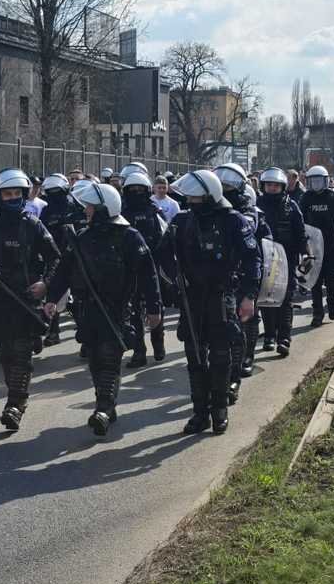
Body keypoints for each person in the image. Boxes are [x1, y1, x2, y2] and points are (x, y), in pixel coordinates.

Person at [45, 182, 160, 436]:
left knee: (109, 358)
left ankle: (103, 408)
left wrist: (154, 308)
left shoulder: (129, 237)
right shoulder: (82, 238)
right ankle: (107, 405)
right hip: (87, 311)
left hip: (117, 309)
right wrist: (52, 298)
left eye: (90, 207)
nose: (85, 211)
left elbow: (148, 274)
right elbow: (64, 270)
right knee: (96, 361)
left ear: (103, 209)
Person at [160, 170, 259, 434]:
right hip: (191, 298)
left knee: (220, 356)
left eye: (195, 197)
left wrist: (249, 296)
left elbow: (252, 259)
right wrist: (174, 279)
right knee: (194, 358)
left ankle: (219, 412)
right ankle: (199, 413)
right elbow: (162, 253)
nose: (190, 201)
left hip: (221, 296)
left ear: (210, 196)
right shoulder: (182, 221)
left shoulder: (233, 221)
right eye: (189, 197)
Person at [0, 169, 60, 431]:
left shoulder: (33, 224)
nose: (12, 198)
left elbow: (55, 258)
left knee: (21, 354)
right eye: (7, 194)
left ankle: (15, 404)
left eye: (17, 194)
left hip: (25, 298)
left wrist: (45, 284)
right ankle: (16, 395)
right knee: (6, 353)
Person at [215, 163, 270, 388]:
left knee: (247, 318)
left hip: (246, 272)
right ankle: (225, 369)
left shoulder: (249, 211)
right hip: (221, 275)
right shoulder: (214, 208)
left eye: (229, 183)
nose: (225, 186)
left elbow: (260, 237)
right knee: (224, 326)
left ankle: (246, 358)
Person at [256, 167, 305, 357]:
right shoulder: (257, 206)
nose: (272, 188)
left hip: (287, 259)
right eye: (269, 185)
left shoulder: (292, 207)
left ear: (282, 186)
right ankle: (269, 335)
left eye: (276, 185)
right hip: (264, 259)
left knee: (285, 300)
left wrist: (306, 253)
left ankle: (284, 338)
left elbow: (301, 233)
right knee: (266, 299)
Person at [120, 172, 167, 366]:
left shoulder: (155, 212)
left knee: (155, 307)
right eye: (133, 190)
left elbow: (165, 239)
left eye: (140, 189)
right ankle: (139, 350)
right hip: (130, 269)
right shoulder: (122, 212)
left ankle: (158, 343)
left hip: (152, 268)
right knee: (134, 312)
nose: (137, 193)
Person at [37, 173, 83, 348]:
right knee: (53, 294)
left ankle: (84, 330)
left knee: (79, 296)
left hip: (76, 258)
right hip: (55, 258)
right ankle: (53, 332)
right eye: (51, 192)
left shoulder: (75, 207)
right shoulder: (47, 211)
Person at [299, 166, 334, 326]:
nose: (317, 184)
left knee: (331, 281)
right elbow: (301, 222)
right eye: (314, 180)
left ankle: (332, 305)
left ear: (326, 181)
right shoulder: (306, 198)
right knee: (315, 282)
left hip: (331, 246)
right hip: (313, 247)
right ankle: (317, 313)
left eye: (320, 180)